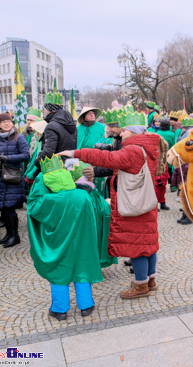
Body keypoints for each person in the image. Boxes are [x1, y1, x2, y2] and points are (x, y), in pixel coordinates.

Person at [57, 111, 161, 299]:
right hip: (146, 201)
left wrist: (75, 153)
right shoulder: (148, 146)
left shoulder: (133, 150)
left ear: (133, 131)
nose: (121, 134)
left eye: (124, 131)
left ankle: (140, 286)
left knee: (136, 244)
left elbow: (107, 159)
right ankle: (150, 280)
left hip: (134, 205)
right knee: (148, 242)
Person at [28, 156, 105, 321]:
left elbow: (33, 207)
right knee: (82, 267)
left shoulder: (48, 200)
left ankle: (60, 309)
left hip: (59, 242)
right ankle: (86, 305)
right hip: (82, 241)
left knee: (59, 270)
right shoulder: (82, 196)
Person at [0, 113, 30, 248]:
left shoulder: (19, 137)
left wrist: (9, 158)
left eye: (8, 121)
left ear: (12, 123)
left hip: (12, 177)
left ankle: (14, 235)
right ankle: (8, 234)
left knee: (10, 208)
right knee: (3, 208)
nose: (6, 124)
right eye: (3, 122)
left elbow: (26, 155)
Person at [34, 92, 77, 169]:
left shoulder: (52, 126)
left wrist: (37, 162)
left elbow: (48, 152)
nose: (44, 111)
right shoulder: (71, 124)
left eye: (45, 108)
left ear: (50, 109)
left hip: (56, 166)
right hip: (70, 164)